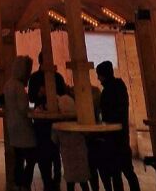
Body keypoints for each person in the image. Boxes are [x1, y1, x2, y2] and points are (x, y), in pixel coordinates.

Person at [96, 61, 140, 191]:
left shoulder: (107, 91)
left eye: (99, 75)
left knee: (116, 172)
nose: (98, 78)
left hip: (112, 137)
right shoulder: (120, 86)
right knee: (127, 170)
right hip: (122, 135)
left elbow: (106, 113)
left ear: (103, 75)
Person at [28, 52, 66, 191]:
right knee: (51, 151)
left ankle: (52, 181)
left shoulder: (36, 77)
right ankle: (50, 181)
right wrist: (40, 93)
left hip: (45, 122)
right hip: (46, 121)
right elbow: (32, 98)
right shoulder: (56, 77)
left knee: (51, 151)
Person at [4, 55, 37, 191]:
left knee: (18, 158)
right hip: (23, 127)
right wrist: (34, 109)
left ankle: (17, 183)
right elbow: (23, 108)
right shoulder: (18, 87)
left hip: (12, 125)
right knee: (31, 157)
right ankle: (25, 183)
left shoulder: (8, 85)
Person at [53, 81, 92, 191]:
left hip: (67, 155)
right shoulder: (79, 122)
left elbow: (54, 139)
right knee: (84, 181)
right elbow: (86, 134)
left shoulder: (59, 126)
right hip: (81, 153)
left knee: (70, 182)